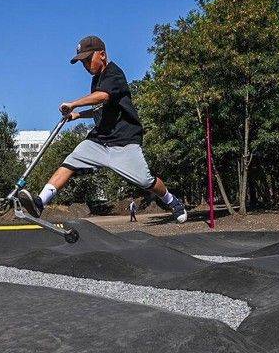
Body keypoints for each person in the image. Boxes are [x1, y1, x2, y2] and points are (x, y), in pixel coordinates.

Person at [18, 35, 187, 224]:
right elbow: (100, 106)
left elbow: (104, 97)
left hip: (124, 142)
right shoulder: (96, 80)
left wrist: (74, 104)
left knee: (145, 181)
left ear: (103, 55)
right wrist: (79, 115)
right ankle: (40, 203)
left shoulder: (114, 74)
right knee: (70, 162)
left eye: (88, 60)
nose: (85, 65)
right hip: (99, 140)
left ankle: (172, 200)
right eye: (82, 62)